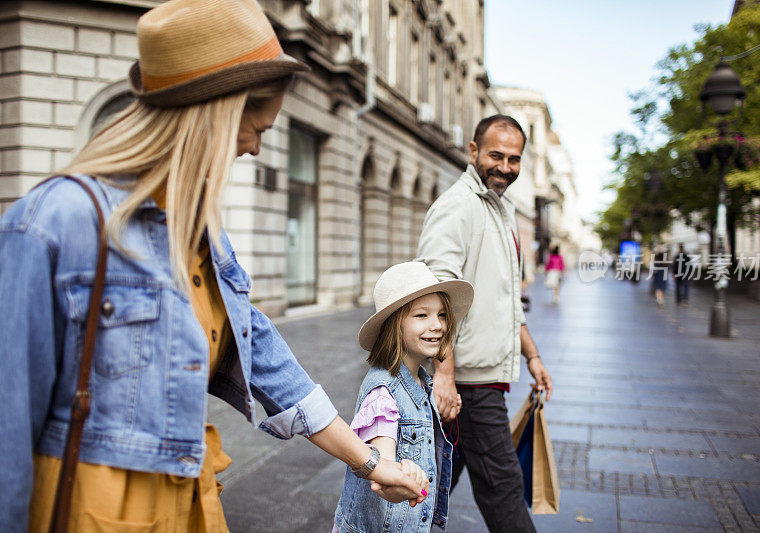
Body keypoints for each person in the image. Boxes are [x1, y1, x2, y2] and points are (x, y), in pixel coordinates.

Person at [0, 1, 426, 531]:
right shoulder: (54, 222)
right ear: (214, 112)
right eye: (256, 128)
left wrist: (372, 464)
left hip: (190, 508)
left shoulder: (203, 233)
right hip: (90, 512)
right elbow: (7, 429)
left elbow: (274, 367)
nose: (253, 148)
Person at [416, 115, 554, 533]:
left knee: (432, 484)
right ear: (473, 151)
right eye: (496, 155)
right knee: (504, 489)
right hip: (469, 386)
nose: (505, 167)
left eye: (514, 159)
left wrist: (532, 355)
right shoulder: (458, 207)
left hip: (483, 378)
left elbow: (505, 298)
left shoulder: (500, 209)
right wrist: (445, 375)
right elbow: (435, 297)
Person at [333, 262, 474, 532]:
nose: (437, 325)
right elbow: (381, 464)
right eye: (422, 315)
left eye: (442, 315)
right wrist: (398, 474)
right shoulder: (383, 394)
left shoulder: (421, 380)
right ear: (394, 325)